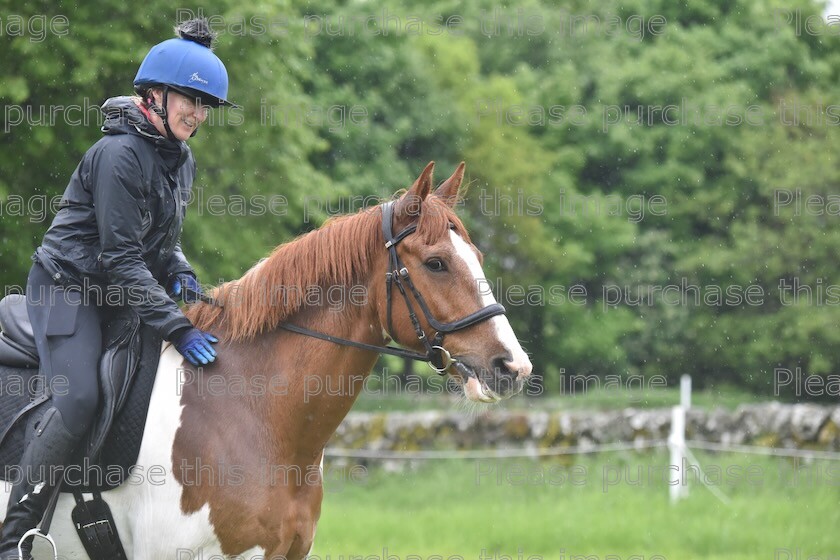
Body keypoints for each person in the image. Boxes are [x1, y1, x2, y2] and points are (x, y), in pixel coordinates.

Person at [0, 18, 234, 558]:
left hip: (119, 289)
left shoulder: (181, 157)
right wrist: (175, 322)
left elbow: (158, 239)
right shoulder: (118, 156)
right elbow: (122, 257)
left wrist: (180, 270)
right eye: (189, 101)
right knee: (79, 398)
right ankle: (14, 538)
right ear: (155, 94)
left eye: (204, 106)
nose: (197, 115)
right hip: (67, 291)